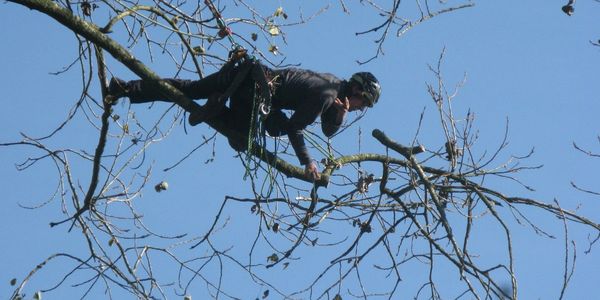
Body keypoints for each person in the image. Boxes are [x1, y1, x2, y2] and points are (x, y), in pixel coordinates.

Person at [107, 60, 381, 181]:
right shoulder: (326, 93)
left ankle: (123, 88)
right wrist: (307, 161)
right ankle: (218, 112)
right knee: (244, 138)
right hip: (254, 92)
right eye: (363, 103)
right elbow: (298, 127)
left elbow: (328, 129)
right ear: (357, 91)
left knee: (189, 89)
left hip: (247, 76)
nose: (360, 109)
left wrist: (342, 115)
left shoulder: (332, 86)